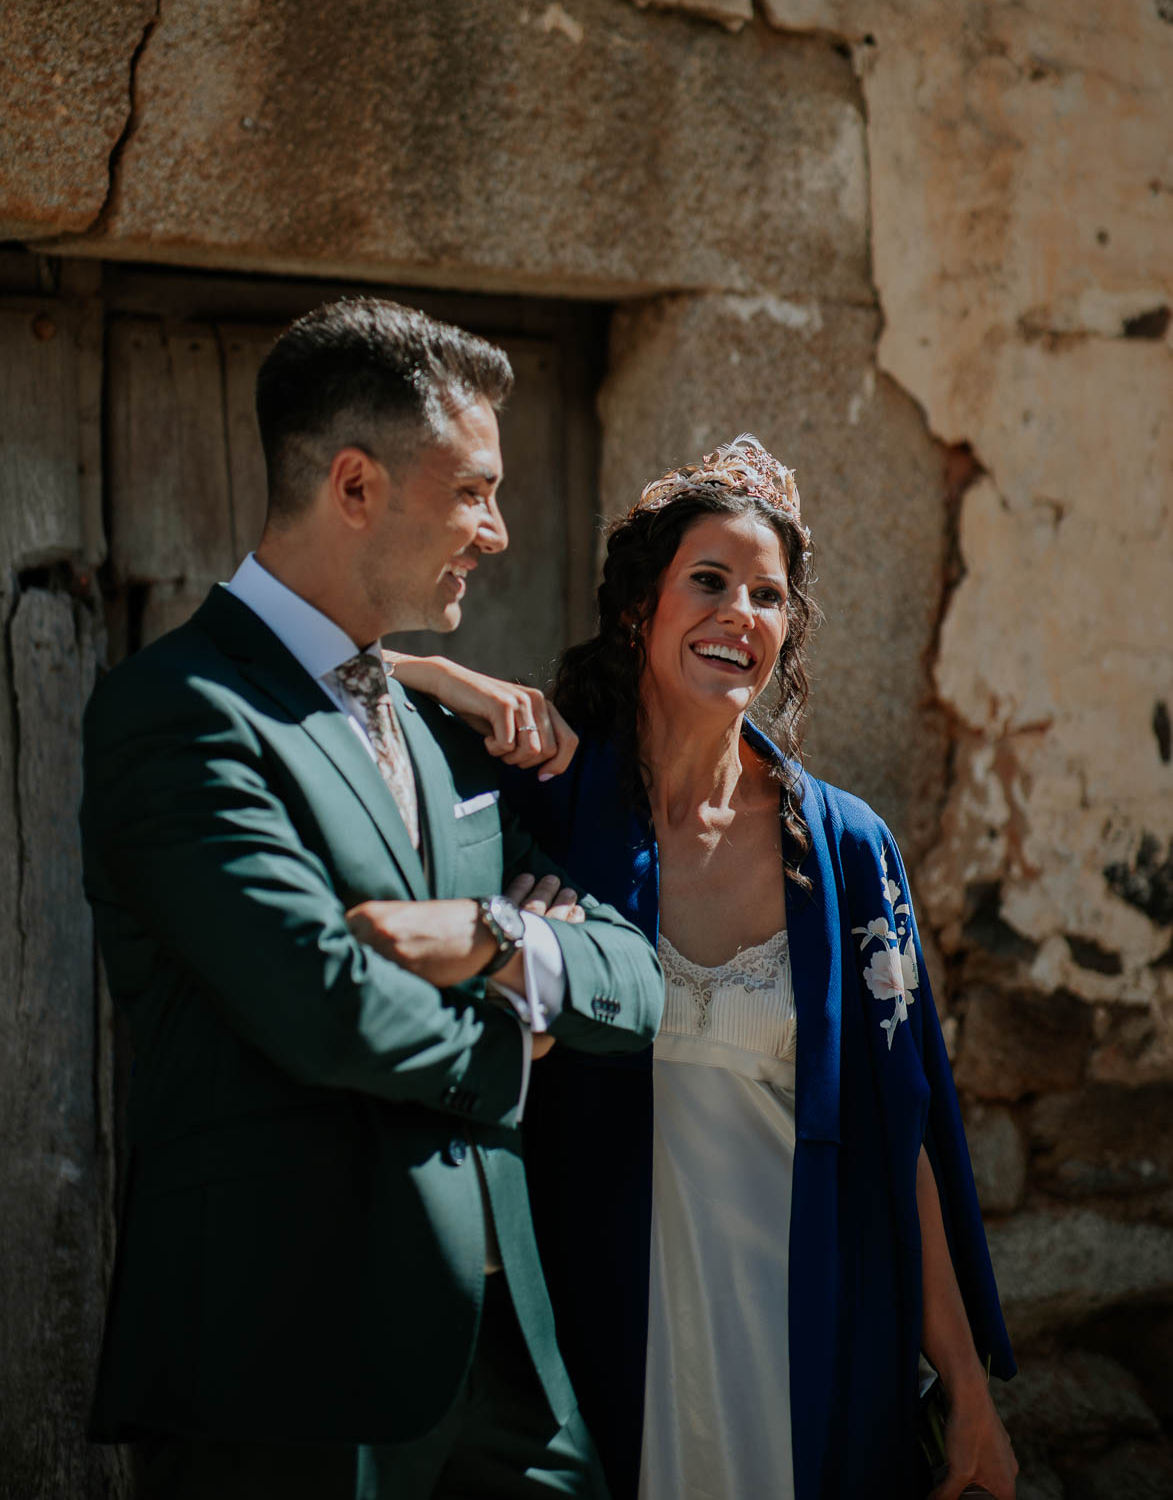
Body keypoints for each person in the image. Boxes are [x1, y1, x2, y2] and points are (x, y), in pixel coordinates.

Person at [81, 298, 664, 1499]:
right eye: (472, 491)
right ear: (354, 484)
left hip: (512, 1371)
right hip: (290, 1363)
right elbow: (321, 998)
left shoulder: (443, 724)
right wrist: (523, 1037)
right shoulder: (180, 713)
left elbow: (634, 968)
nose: (498, 532)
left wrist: (503, 938)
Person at [472, 435, 1019, 1500]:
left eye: (768, 596)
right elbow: (350, 693)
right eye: (709, 582)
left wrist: (968, 1393)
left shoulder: (850, 851)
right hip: (605, 1330)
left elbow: (900, 1130)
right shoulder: (552, 815)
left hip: (808, 1330)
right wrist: (443, 673)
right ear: (640, 608)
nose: (740, 615)